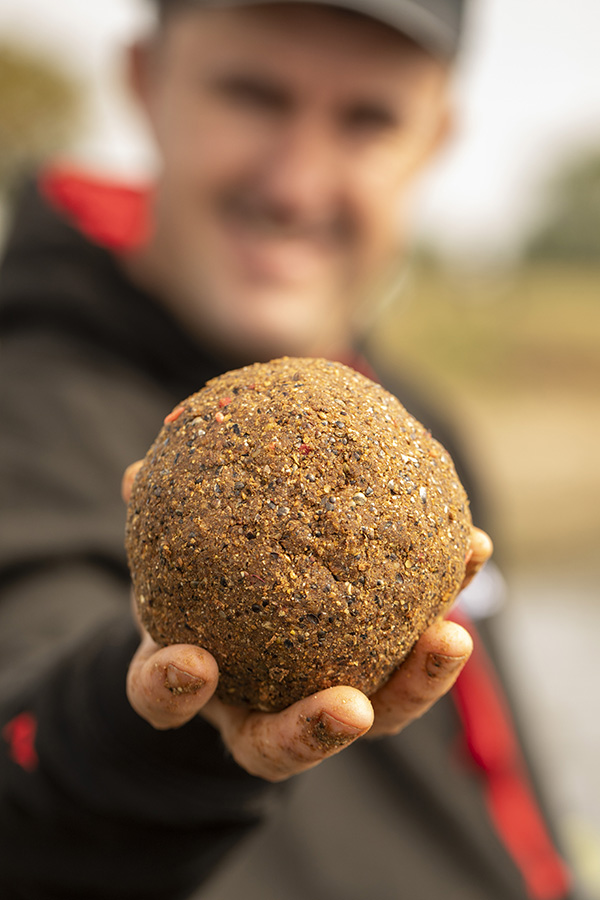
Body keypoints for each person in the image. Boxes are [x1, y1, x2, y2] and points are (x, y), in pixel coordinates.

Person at [0, 2, 577, 898]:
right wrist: (150, 729)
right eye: (252, 94)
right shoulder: (27, 403)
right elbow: (25, 736)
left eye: (368, 118)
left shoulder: (418, 416)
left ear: (435, 138)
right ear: (145, 86)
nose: (297, 184)